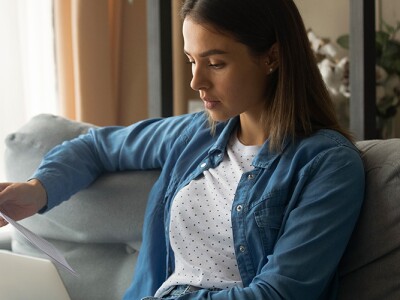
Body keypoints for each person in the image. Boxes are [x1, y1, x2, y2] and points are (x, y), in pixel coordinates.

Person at [0, 0, 365, 299]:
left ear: (272, 57)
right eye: (192, 60)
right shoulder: (195, 134)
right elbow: (96, 147)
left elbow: (280, 294)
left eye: (215, 63)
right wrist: (37, 191)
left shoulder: (327, 165)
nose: (196, 81)